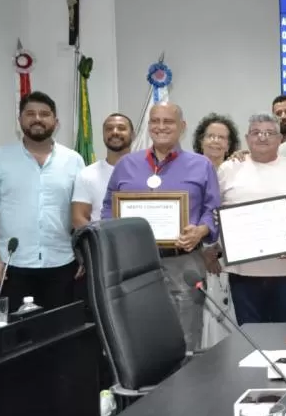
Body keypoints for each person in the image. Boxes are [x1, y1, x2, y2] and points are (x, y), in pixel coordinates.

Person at [102, 103, 221, 351]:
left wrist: (201, 230)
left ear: (182, 127)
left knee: (186, 338)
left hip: (184, 262)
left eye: (168, 121)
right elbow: (107, 208)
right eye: (155, 121)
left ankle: (186, 389)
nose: (161, 127)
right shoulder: (126, 164)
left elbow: (213, 210)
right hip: (134, 264)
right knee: (140, 336)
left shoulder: (202, 165)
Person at [0, 91, 85, 312]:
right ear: (20, 120)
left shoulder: (73, 160)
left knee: (60, 334)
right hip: (12, 266)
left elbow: (81, 211)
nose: (37, 119)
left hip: (62, 263)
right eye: (30, 113)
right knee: (18, 339)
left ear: (56, 122)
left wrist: (84, 255)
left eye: (45, 114)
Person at [218, 114, 286, 326]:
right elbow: (215, 211)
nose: (262, 137)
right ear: (246, 138)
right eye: (256, 132)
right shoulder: (229, 168)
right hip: (243, 272)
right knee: (251, 337)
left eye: (269, 133)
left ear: (280, 139)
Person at [192, 113, 241, 348]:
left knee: (227, 314)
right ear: (200, 140)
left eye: (222, 137)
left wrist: (218, 249)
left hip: (231, 254)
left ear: (230, 144)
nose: (216, 141)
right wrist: (206, 250)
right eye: (210, 136)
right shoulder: (189, 169)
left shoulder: (237, 169)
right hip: (195, 254)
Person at [71, 113, 134, 227]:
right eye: (109, 129)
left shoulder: (146, 170)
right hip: (102, 242)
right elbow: (78, 218)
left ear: (133, 135)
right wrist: (103, 238)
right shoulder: (87, 174)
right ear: (104, 134)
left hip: (140, 241)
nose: (115, 132)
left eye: (121, 128)